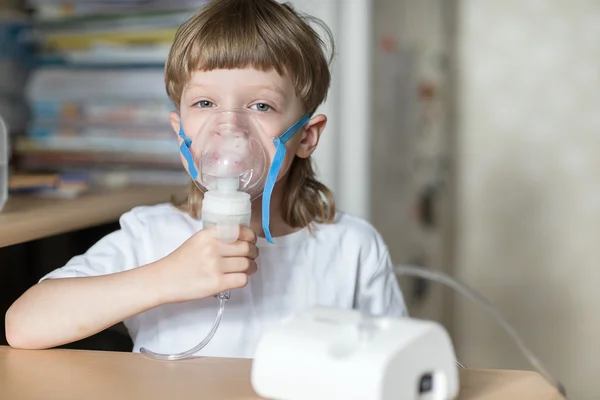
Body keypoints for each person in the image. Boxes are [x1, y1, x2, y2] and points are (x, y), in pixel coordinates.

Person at [5, 0, 407, 358]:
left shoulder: (352, 250)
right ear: (179, 128)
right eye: (205, 103)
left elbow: (400, 366)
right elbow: (22, 326)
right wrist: (166, 277)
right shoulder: (152, 237)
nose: (228, 127)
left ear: (305, 136)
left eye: (261, 105)